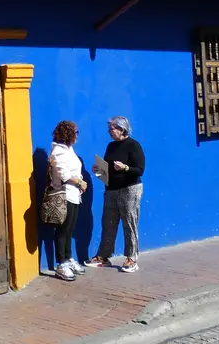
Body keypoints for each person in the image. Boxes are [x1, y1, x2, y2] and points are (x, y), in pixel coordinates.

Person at [85, 116, 146, 273]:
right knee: (108, 223)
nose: (110, 132)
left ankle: (131, 258)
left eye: (112, 129)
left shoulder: (133, 145)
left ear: (122, 129)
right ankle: (103, 256)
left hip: (129, 189)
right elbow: (108, 169)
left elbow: (139, 170)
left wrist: (125, 168)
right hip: (111, 189)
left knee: (129, 223)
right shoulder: (111, 146)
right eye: (109, 130)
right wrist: (99, 170)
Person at [48, 120, 87, 282]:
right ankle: (61, 263)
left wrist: (80, 183)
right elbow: (64, 175)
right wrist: (80, 182)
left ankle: (68, 258)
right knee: (63, 230)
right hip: (64, 195)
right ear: (67, 133)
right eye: (75, 132)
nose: (77, 135)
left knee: (70, 229)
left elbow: (75, 170)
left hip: (74, 195)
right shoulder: (58, 151)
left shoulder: (69, 150)